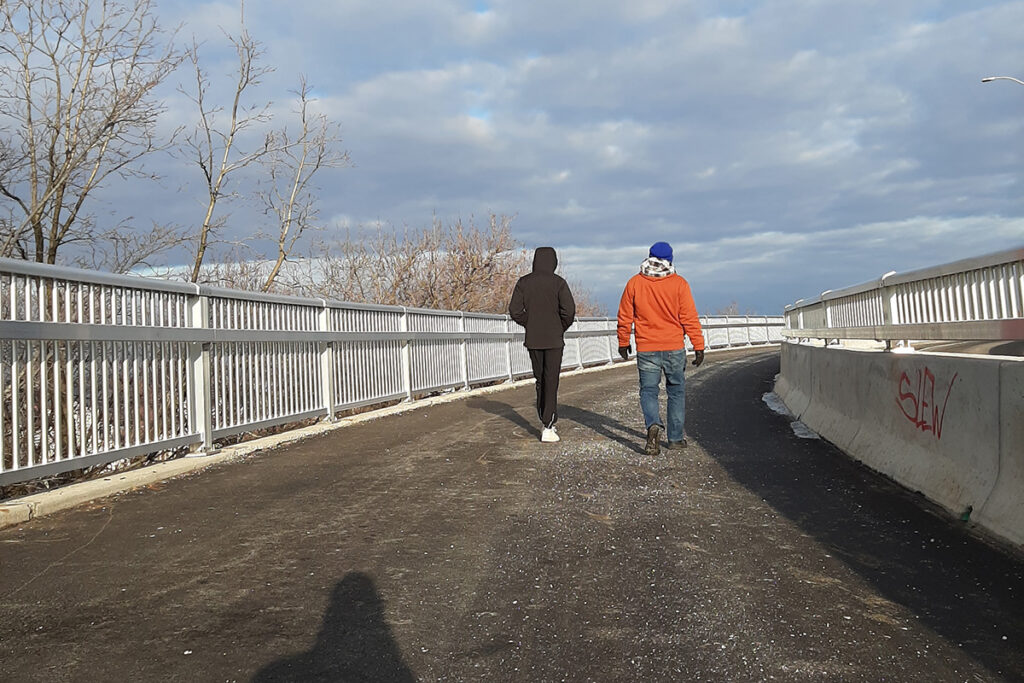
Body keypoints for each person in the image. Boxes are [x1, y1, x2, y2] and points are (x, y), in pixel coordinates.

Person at [616, 241, 705, 455]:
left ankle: (653, 425)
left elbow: (625, 316)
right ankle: (675, 438)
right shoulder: (679, 284)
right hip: (674, 347)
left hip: (647, 348)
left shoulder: (635, 283)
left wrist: (623, 342)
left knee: (648, 391)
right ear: (670, 260)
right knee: (676, 391)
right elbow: (689, 318)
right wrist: (698, 345)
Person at [509, 246, 576, 443]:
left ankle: (543, 418)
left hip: (534, 339)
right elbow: (569, 311)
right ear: (554, 262)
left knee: (540, 380)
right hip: (554, 339)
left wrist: (528, 322)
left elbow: (514, 310)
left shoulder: (524, 282)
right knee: (551, 379)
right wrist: (559, 326)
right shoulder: (559, 283)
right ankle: (548, 424)